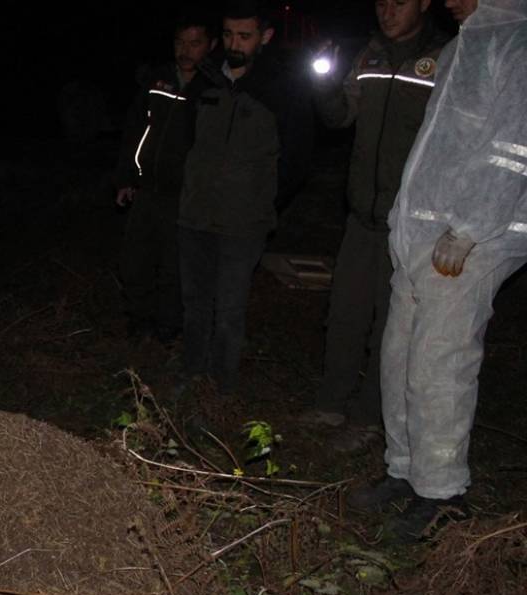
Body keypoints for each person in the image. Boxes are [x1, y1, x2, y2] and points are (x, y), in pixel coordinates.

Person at [349, 0, 527, 541]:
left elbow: (514, 148)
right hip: (421, 234)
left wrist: (470, 228)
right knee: (400, 355)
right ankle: (406, 471)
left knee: (439, 365)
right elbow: (435, 146)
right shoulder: (460, 46)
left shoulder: (517, 41)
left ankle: (443, 493)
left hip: (475, 239)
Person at [303, 0, 449, 452]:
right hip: (361, 214)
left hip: (409, 220)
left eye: (399, 2)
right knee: (345, 312)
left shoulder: (444, 58)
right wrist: (323, 84)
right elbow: (339, 117)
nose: (387, 11)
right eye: (381, 2)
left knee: (391, 324)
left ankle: (369, 418)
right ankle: (331, 402)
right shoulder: (368, 55)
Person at [177, 0, 314, 393]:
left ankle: (220, 390)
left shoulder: (281, 89)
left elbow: (298, 156)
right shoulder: (204, 82)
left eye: (245, 35)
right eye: (228, 34)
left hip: (244, 223)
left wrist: (265, 202)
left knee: (229, 312)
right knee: (195, 306)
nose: (234, 43)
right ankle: (190, 377)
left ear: (265, 37)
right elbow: (186, 144)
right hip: (195, 217)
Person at [114, 12, 217, 344]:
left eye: (194, 43)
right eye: (180, 43)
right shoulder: (156, 80)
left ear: (210, 45)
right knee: (135, 261)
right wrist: (126, 177)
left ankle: (168, 327)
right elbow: (134, 130)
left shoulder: (214, 88)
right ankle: (139, 321)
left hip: (185, 196)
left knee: (176, 266)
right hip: (147, 188)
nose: (185, 50)